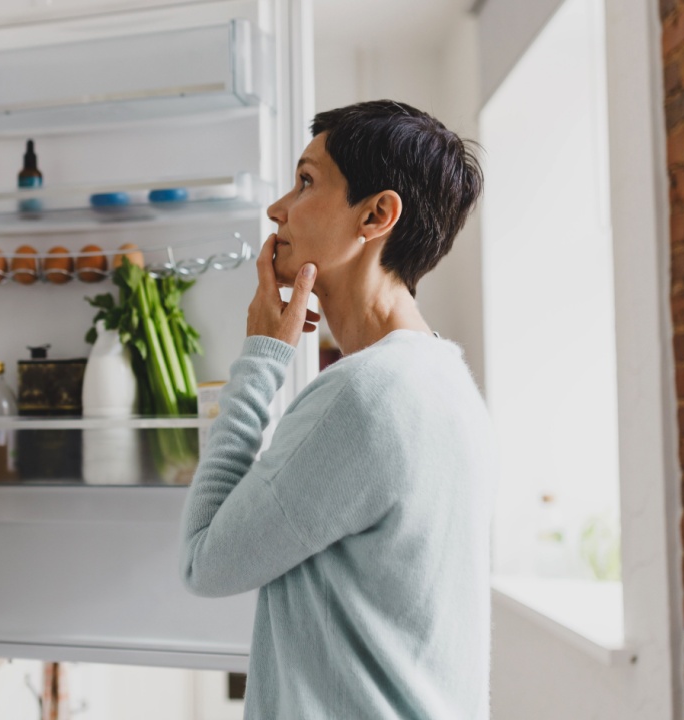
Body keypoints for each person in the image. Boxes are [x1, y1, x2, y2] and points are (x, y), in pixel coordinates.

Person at [179, 100, 495, 719]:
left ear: (376, 215)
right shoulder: (446, 380)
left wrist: (261, 359)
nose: (277, 210)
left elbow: (204, 561)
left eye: (304, 182)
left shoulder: (365, 396)